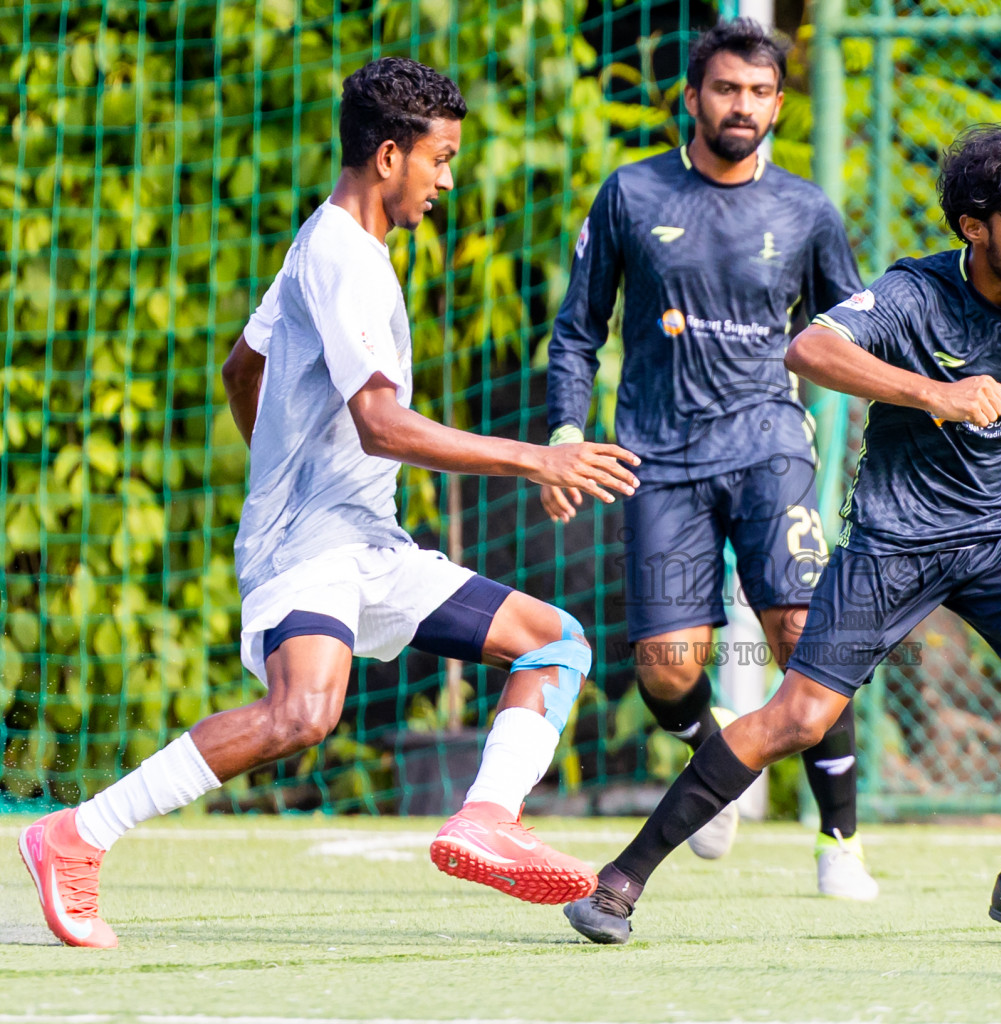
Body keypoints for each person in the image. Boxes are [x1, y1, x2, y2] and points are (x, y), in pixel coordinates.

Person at [17, 57, 641, 949]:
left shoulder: (321, 246)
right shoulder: (345, 258)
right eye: (441, 159)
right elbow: (381, 423)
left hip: (370, 546)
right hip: (308, 547)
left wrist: (281, 464)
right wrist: (532, 459)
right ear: (390, 156)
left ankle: (484, 819)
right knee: (301, 717)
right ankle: (73, 833)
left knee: (554, 641)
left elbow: (242, 369)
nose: (448, 181)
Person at [564, 125, 1001, 946]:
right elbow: (811, 347)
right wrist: (933, 393)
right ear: (975, 227)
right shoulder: (911, 296)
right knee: (795, 716)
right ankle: (618, 883)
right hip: (894, 543)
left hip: (999, 532)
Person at [542, 19, 875, 899]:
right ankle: (713, 746)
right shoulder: (630, 195)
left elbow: (855, 333)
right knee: (666, 670)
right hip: (658, 456)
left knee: (803, 636)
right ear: (692, 99)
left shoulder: (806, 211)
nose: (744, 106)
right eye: (727, 89)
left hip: (770, 444)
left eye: (761, 92)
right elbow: (578, 331)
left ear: (777, 102)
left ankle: (840, 840)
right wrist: (566, 433)